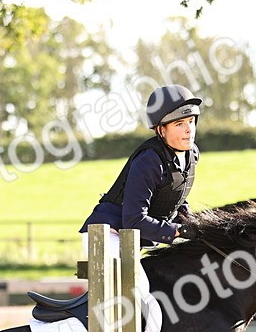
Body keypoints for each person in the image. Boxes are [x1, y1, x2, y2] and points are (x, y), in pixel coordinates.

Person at [79, 83, 203, 258]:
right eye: (179, 124)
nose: (189, 129)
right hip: (108, 235)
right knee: (137, 278)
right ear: (161, 130)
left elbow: (174, 196)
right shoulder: (149, 161)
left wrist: (194, 222)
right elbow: (134, 220)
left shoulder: (191, 154)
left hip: (134, 238)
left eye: (191, 121)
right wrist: (178, 230)